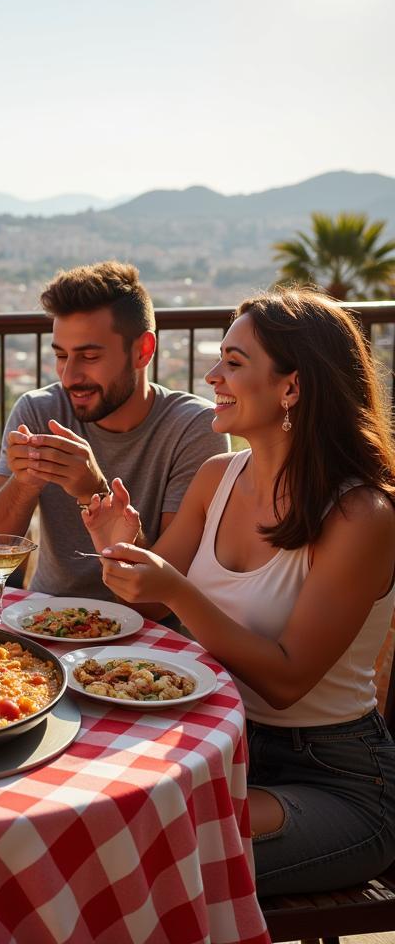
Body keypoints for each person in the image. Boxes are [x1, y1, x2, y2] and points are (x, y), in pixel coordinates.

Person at [85, 287, 395, 895]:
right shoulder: (217, 478)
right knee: (105, 831)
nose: (212, 375)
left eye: (233, 362)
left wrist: (175, 588)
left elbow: (284, 683)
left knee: (152, 861)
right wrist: (120, 549)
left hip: (333, 775)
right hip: (218, 742)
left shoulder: (362, 515)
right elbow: (148, 602)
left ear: (292, 387)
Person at [0, 260, 226, 606]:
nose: (69, 376)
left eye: (88, 356)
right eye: (61, 355)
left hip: (151, 639)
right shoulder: (39, 411)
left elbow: (161, 601)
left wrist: (94, 492)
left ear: (142, 351)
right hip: (45, 617)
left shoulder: (193, 429)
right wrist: (24, 483)